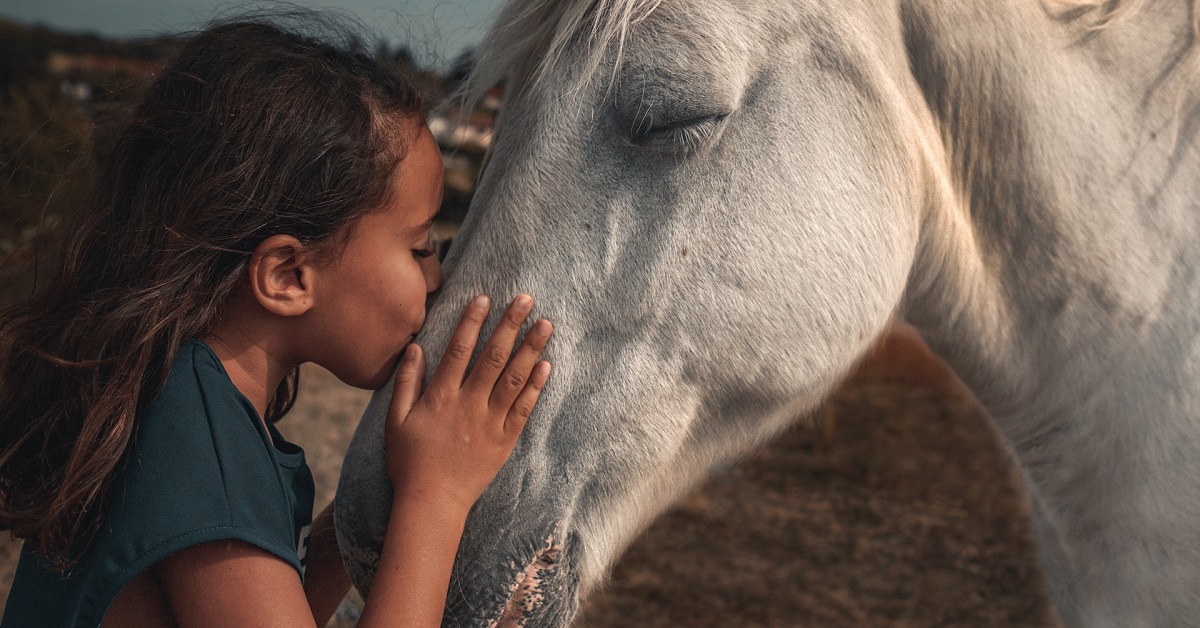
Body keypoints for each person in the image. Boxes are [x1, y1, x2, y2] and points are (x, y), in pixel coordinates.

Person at [0, 18, 552, 627]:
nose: (435, 278)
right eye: (420, 247)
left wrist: (365, 518)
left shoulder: (180, 397)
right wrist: (437, 497)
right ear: (287, 275)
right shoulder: (202, 447)